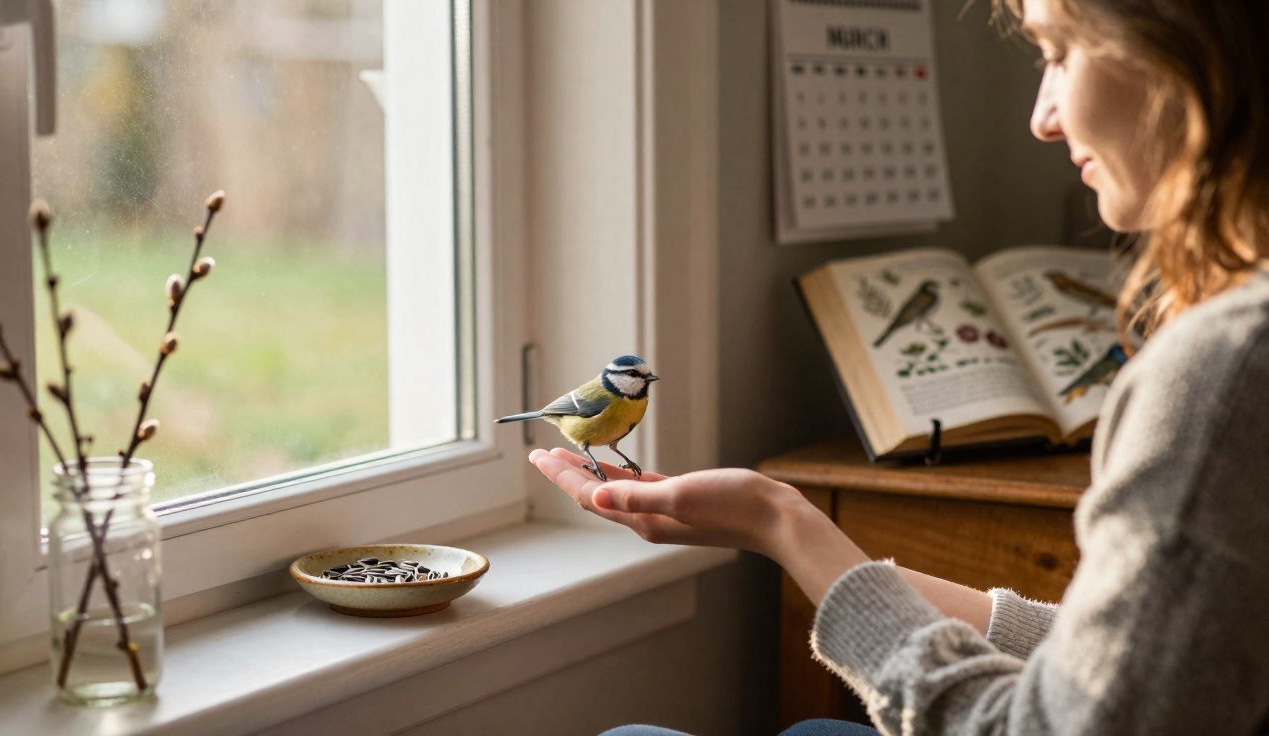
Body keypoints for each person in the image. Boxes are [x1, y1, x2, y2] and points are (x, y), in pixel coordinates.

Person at [529, 0, 1269, 733]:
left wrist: (783, 526)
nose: (1042, 117)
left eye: (1059, 51)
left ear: (1187, 48)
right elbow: (1147, 665)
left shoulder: (1227, 371)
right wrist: (787, 525)